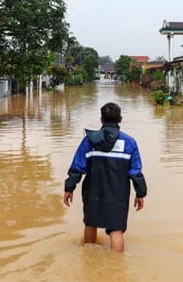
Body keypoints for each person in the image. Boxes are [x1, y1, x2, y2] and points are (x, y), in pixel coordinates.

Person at [63, 102, 147, 252]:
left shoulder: (89, 141)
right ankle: (116, 269)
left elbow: (77, 166)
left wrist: (69, 188)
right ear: (120, 119)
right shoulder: (129, 142)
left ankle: (88, 260)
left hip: (93, 192)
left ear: (101, 120)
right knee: (116, 230)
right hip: (118, 194)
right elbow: (135, 171)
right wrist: (140, 193)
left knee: (90, 224)